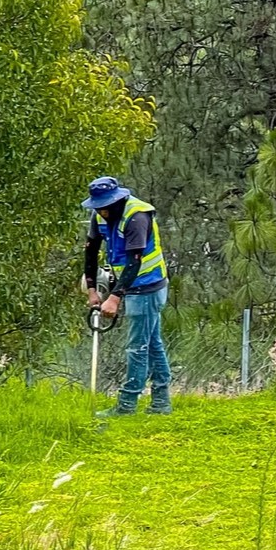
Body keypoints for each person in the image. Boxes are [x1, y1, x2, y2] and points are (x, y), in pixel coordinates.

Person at [83, 176, 172, 416]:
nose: (100, 211)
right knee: (152, 344)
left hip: (147, 286)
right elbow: (90, 252)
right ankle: (161, 403)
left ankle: (127, 405)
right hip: (130, 286)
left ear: (116, 201)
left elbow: (135, 261)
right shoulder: (98, 215)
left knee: (137, 347)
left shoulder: (137, 216)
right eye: (97, 207)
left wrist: (114, 297)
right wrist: (92, 290)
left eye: (104, 207)